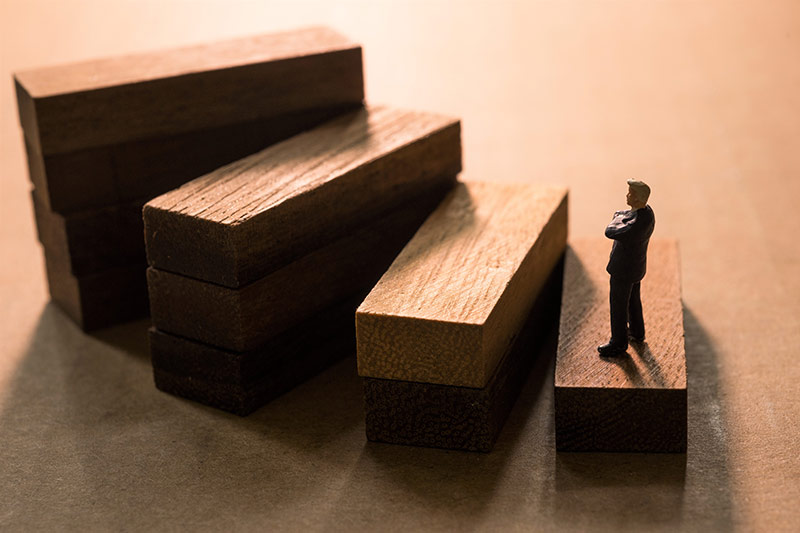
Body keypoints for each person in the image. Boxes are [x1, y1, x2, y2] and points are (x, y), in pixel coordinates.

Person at [598, 179, 655, 357]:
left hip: (623, 269)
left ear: (638, 199)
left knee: (618, 305)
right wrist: (619, 217)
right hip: (636, 267)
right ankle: (637, 332)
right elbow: (619, 214)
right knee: (633, 300)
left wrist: (617, 218)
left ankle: (619, 342)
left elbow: (610, 231)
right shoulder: (647, 213)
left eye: (630, 193)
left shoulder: (635, 224)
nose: (627, 195)